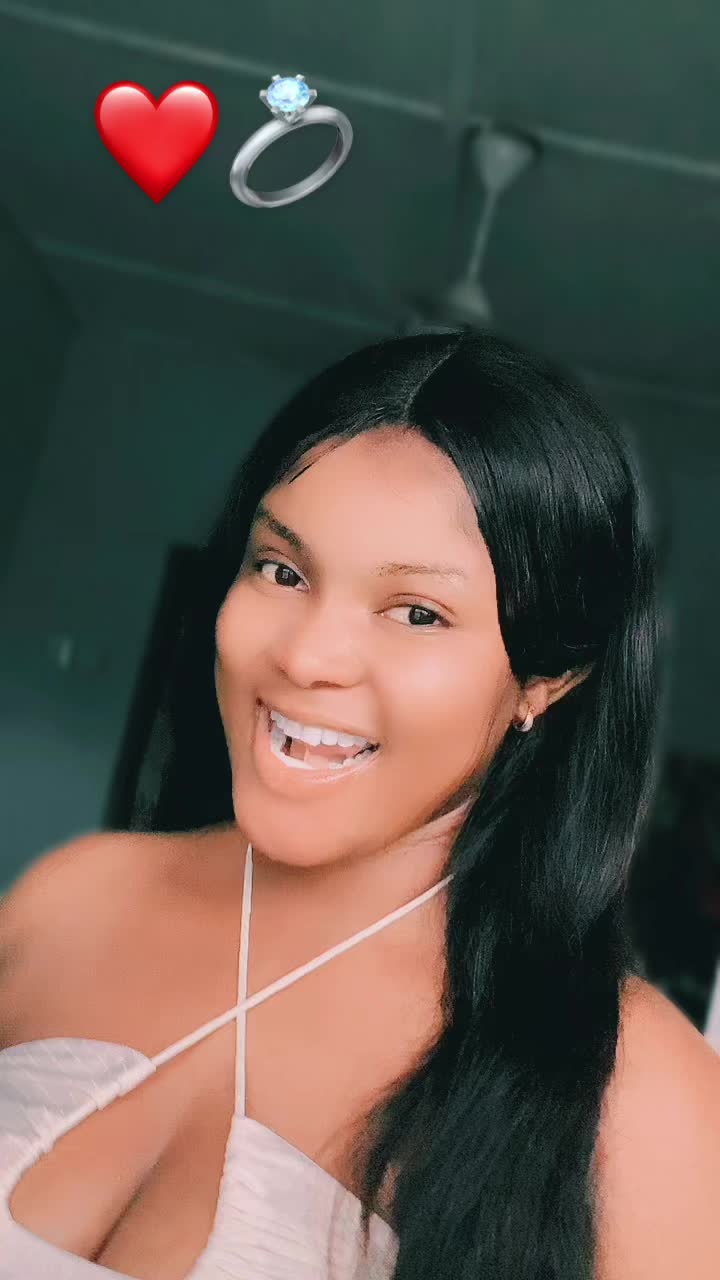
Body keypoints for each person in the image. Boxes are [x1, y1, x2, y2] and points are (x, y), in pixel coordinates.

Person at [1, 330, 719, 1280]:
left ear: (544, 681)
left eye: (417, 612)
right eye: (281, 569)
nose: (306, 657)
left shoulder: (637, 1098)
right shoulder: (71, 902)